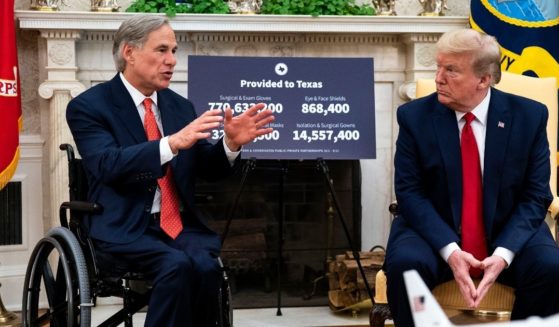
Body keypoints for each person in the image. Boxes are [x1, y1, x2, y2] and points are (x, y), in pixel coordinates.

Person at [66, 15, 274, 327]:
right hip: (124, 226)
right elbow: (106, 164)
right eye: (162, 50)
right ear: (129, 52)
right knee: (175, 266)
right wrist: (171, 144)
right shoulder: (89, 106)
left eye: (174, 51)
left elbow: (206, 167)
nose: (172, 61)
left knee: (207, 268)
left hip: (179, 227)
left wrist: (230, 144)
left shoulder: (180, 106)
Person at [384, 28, 559, 326]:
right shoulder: (414, 117)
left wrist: (503, 254)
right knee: (405, 266)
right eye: (438, 67)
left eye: (451, 70)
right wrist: (451, 252)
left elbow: (535, 195)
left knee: (550, 268)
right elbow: (410, 192)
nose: (438, 78)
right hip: (435, 231)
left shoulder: (529, 117)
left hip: (508, 229)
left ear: (484, 79)